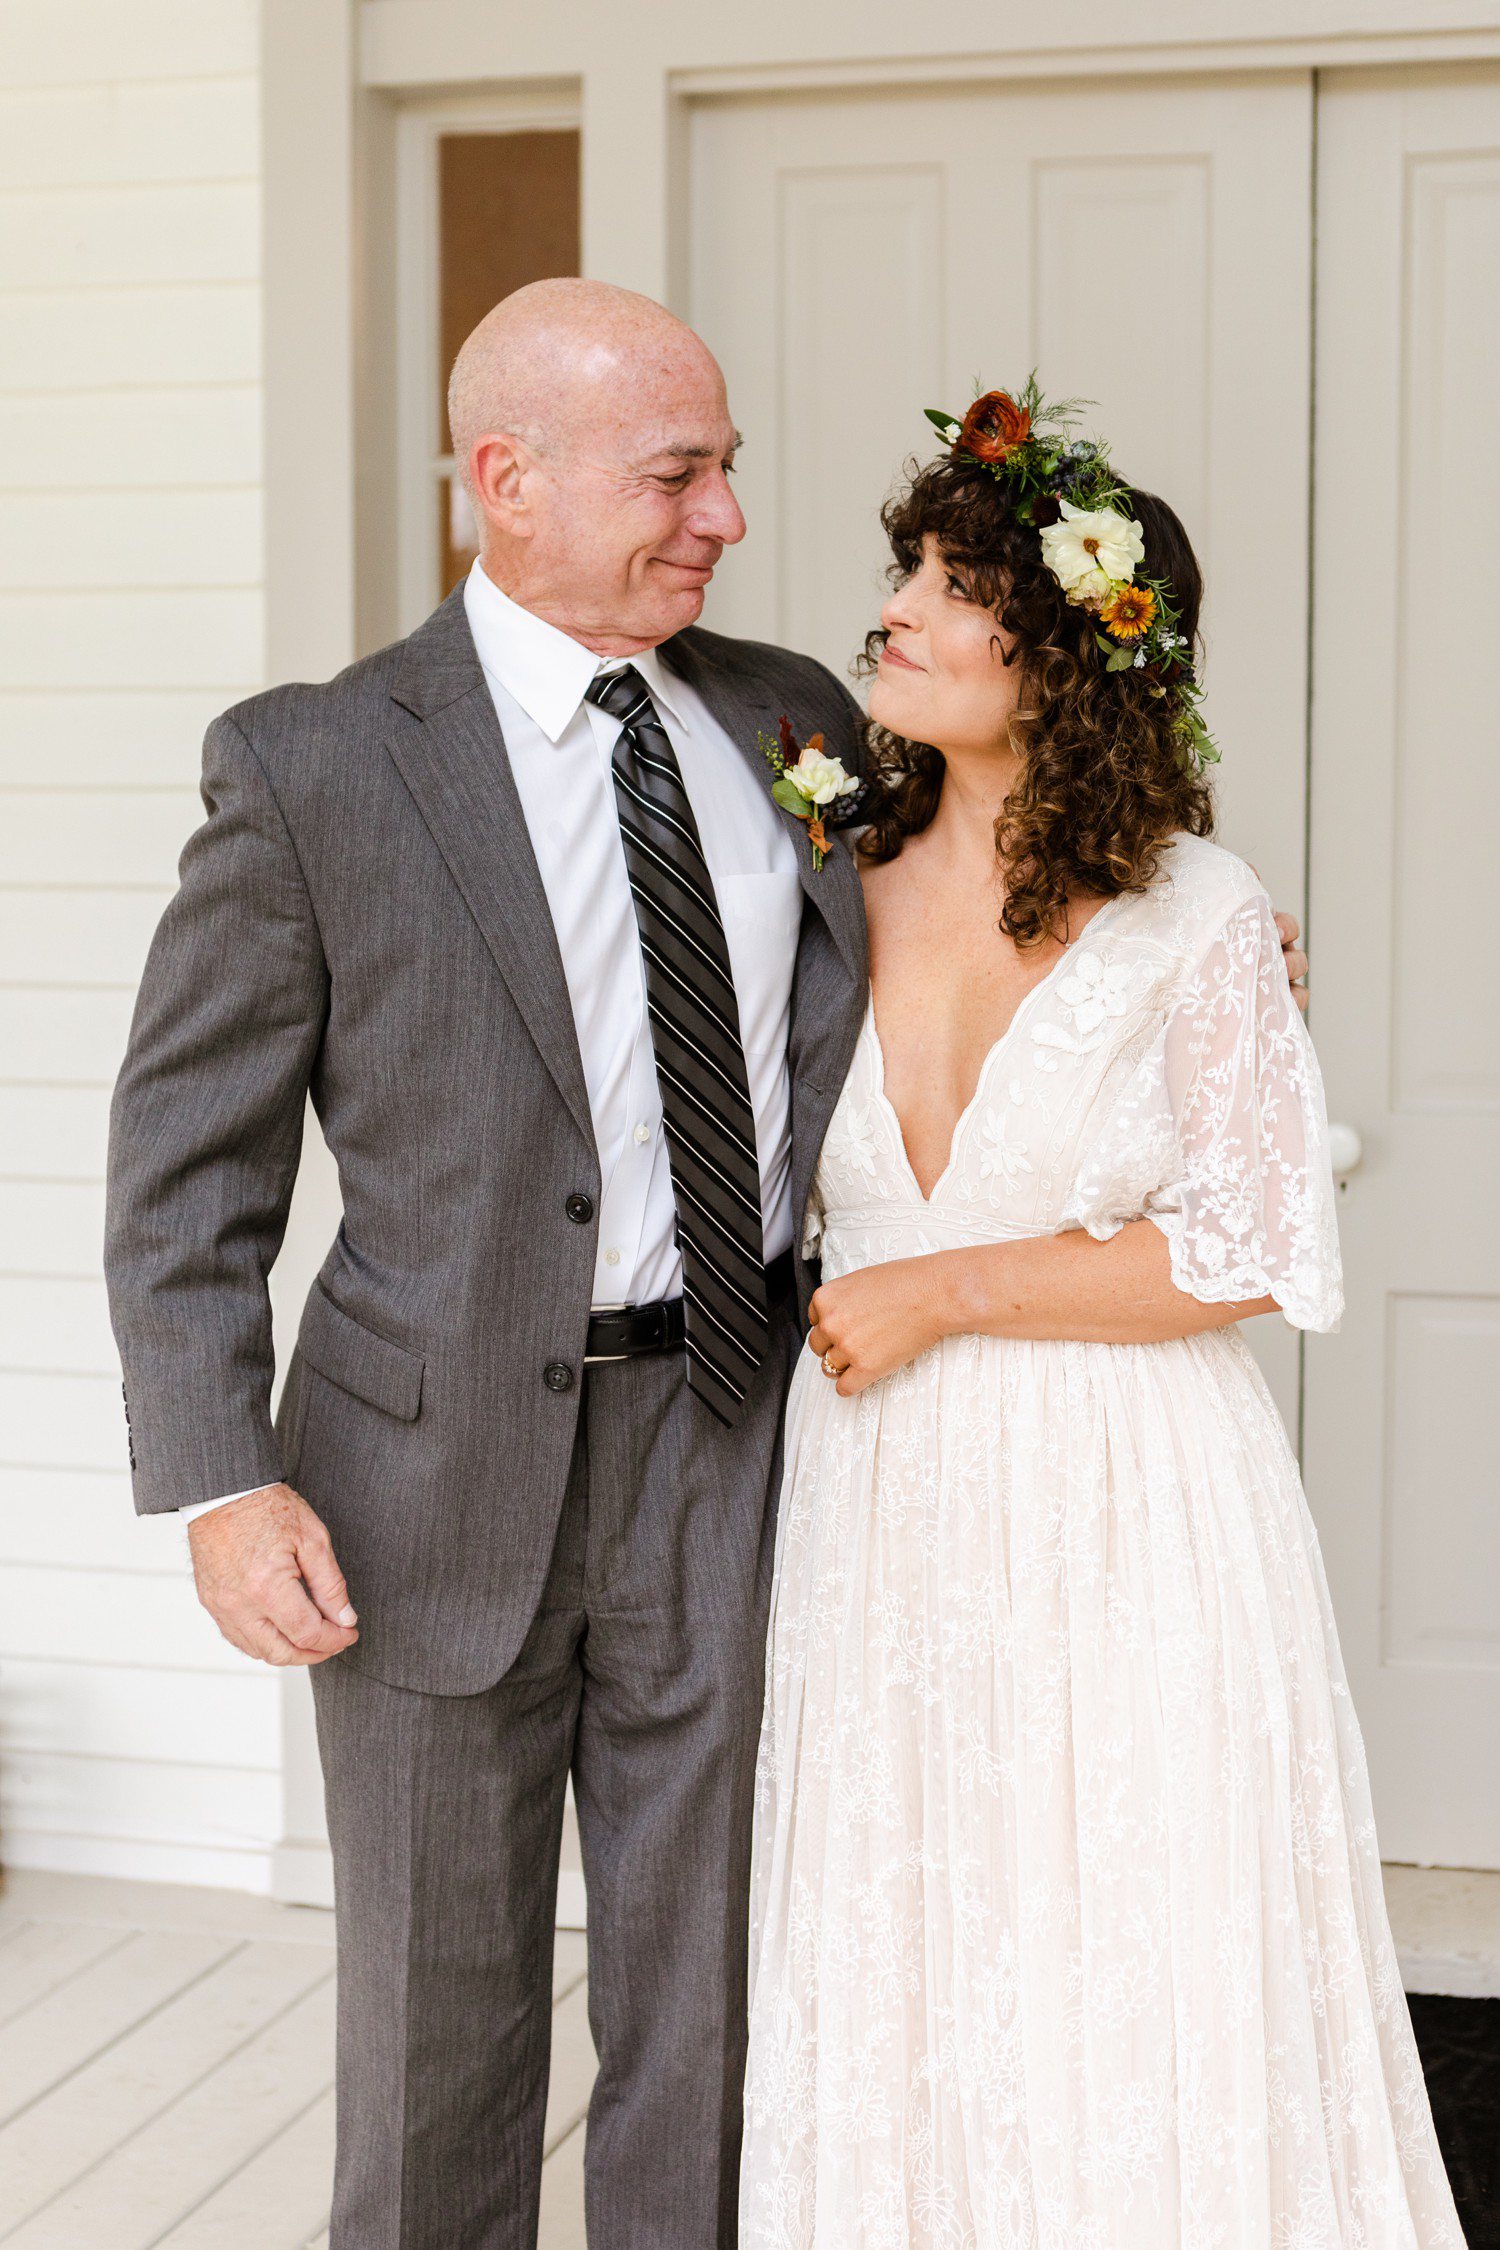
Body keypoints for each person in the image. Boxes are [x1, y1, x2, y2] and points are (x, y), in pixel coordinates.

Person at [104, 295, 1306, 2250]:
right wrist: (222, 1481)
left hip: (746, 1439)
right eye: (677, 475)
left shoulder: (799, 727)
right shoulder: (313, 767)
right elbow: (185, 1173)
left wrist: (1206, 952)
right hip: (415, 1479)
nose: (728, 515)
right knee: (437, 2019)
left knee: (719, 1996)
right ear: (511, 480)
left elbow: (1009, 895)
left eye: (723, 464)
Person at [739, 387, 1464, 2247]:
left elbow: (1243, 1251)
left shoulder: (1199, 914)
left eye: (951, 578)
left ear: (1063, 646)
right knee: (915, 1924)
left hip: (1128, 1499)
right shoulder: (814, 886)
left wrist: (938, 1286)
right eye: (905, 564)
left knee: (1125, 1923)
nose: (893, 604)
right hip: (881, 1506)